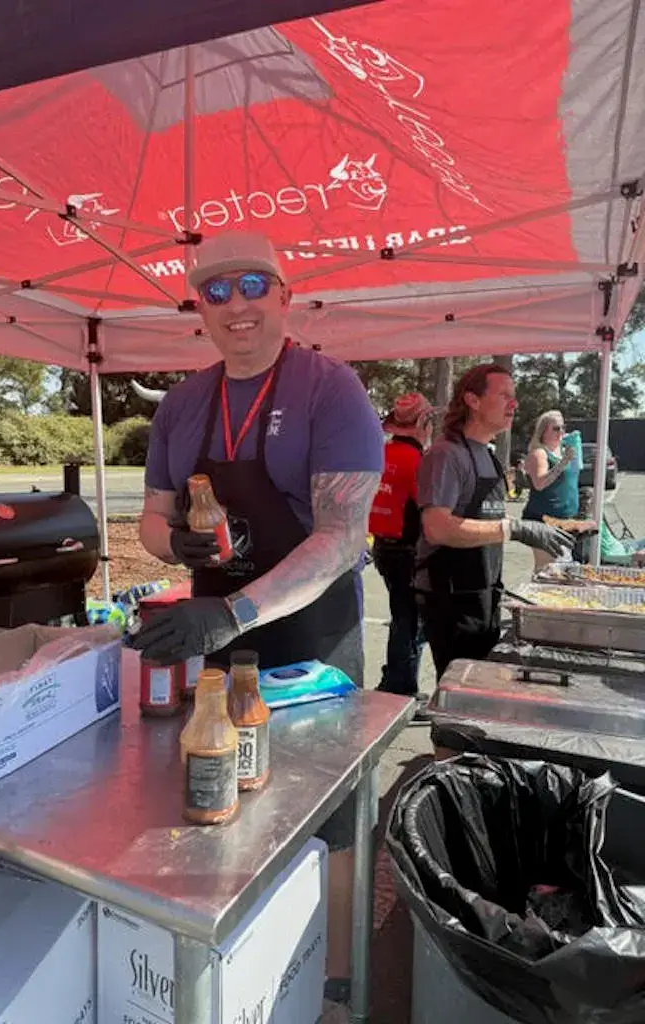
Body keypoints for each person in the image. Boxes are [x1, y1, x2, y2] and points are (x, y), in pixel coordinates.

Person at [132, 230, 384, 1007]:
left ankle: (337, 970)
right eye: (214, 292)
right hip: (215, 619)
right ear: (199, 311)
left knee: (329, 808)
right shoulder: (181, 403)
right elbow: (149, 519)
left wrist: (233, 613)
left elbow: (342, 538)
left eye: (250, 286)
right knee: (223, 780)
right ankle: (244, 950)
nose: (235, 305)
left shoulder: (327, 388)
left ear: (283, 294)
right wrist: (171, 542)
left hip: (309, 625)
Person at [415, 364, 575, 680]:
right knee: (461, 692)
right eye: (504, 395)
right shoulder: (446, 455)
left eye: (513, 396)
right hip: (451, 597)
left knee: (483, 685)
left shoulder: (488, 455)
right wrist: (514, 528)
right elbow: (437, 527)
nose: (514, 404)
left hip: (484, 591)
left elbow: (484, 515)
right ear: (472, 400)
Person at [369, 393, 433, 703]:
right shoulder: (418, 461)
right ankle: (400, 687)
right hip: (408, 549)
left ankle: (396, 681)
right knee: (409, 621)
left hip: (382, 546)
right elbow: (428, 508)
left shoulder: (380, 453)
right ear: (423, 423)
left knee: (402, 617)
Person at [522, 410, 580, 570]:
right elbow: (540, 483)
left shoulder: (565, 450)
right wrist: (563, 462)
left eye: (563, 427)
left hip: (565, 519)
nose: (561, 432)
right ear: (543, 431)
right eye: (556, 428)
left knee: (561, 568)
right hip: (543, 520)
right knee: (547, 568)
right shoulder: (539, 453)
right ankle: (534, 595)